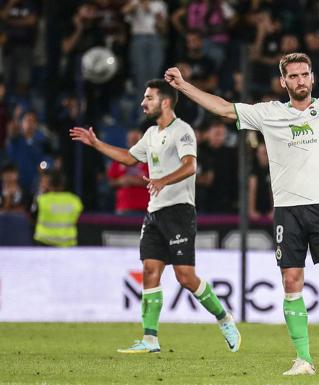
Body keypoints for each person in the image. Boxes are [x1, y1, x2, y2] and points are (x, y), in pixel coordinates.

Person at [164, 32, 319, 375]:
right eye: (293, 76)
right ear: (284, 81)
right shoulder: (269, 114)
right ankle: (303, 359)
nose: (300, 80)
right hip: (288, 211)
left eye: (304, 74)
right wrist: (183, 86)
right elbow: (224, 108)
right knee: (291, 283)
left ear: (312, 77)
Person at [69, 79, 240, 354]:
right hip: (154, 213)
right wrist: (96, 143)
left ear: (166, 101)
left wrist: (163, 181)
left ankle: (224, 318)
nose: (143, 102)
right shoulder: (150, 134)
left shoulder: (182, 131)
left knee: (185, 277)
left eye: (149, 98)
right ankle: (150, 339)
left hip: (179, 211)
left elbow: (190, 166)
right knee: (150, 271)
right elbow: (127, 158)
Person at [32, 171, 83, 247]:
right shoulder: (75, 200)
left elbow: (33, 216)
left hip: (44, 243)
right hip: (67, 244)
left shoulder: (41, 200)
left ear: (50, 185)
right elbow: (78, 217)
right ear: (63, 184)